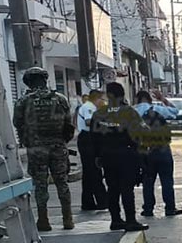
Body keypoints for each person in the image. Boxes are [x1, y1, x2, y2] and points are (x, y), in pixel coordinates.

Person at [12, 67, 75, 231]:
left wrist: (28, 139)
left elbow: (17, 123)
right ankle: (68, 219)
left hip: (36, 148)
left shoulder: (23, 101)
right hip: (58, 146)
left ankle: (43, 220)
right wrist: (62, 142)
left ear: (29, 81)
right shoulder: (60, 99)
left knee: (40, 185)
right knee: (62, 183)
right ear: (45, 80)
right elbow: (69, 125)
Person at [89, 82, 148, 231]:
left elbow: (94, 137)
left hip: (107, 155)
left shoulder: (99, 114)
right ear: (122, 95)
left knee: (112, 188)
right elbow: (139, 134)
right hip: (127, 154)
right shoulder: (129, 112)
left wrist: (97, 156)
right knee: (127, 188)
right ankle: (130, 220)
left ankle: (115, 220)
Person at [134, 90, 182, 217]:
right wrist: (163, 99)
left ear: (137, 99)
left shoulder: (132, 112)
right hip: (163, 149)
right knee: (167, 181)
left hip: (145, 151)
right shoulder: (159, 108)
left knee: (148, 182)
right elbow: (175, 111)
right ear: (149, 99)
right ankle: (170, 208)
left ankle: (148, 209)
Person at [75, 88, 106, 211]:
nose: (102, 102)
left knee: (88, 173)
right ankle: (102, 201)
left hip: (89, 139)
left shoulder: (90, 107)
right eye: (101, 99)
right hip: (88, 140)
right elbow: (89, 122)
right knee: (94, 171)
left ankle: (87, 202)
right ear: (96, 98)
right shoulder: (89, 107)